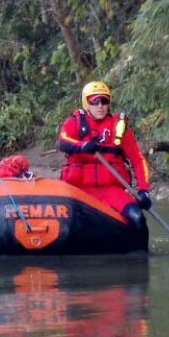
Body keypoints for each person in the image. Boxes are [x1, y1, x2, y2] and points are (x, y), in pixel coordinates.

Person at [56, 81, 152, 227]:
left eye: (104, 101)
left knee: (137, 217)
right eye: (94, 101)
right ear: (86, 103)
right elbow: (63, 142)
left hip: (111, 190)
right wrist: (82, 146)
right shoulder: (73, 122)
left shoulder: (119, 127)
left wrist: (143, 190)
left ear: (108, 103)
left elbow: (137, 160)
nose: (100, 105)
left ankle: (139, 249)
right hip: (79, 190)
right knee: (67, 222)